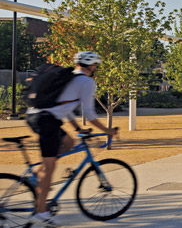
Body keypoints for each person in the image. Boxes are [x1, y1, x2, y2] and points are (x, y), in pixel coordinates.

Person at [25, 52, 118, 226]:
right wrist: (108, 130)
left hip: (38, 116)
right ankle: (41, 212)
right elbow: (89, 113)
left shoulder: (70, 78)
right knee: (49, 167)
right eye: (96, 65)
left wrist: (77, 128)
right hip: (46, 121)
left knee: (68, 142)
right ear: (91, 66)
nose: (96, 68)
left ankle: (39, 174)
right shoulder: (86, 82)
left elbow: (64, 106)